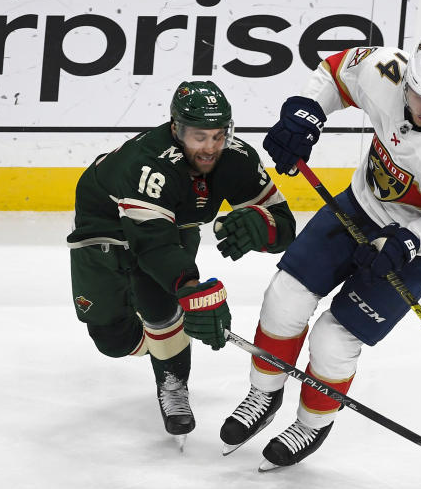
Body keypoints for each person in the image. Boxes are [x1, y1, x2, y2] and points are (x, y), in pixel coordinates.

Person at [220, 35, 421, 469]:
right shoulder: (386, 70)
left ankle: (311, 424)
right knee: (284, 297)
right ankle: (263, 393)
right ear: (407, 79)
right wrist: (308, 110)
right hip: (360, 205)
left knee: (333, 338)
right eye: (420, 95)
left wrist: (411, 242)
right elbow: (335, 73)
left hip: (414, 243)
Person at [68, 80, 296, 448]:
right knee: (110, 340)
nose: (210, 147)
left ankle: (171, 379)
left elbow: (285, 225)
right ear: (176, 129)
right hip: (105, 223)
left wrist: (264, 227)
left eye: (218, 136)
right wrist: (191, 290)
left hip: (173, 218)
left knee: (160, 301)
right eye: (199, 136)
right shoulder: (150, 163)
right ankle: (162, 337)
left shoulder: (237, 158)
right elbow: (153, 244)